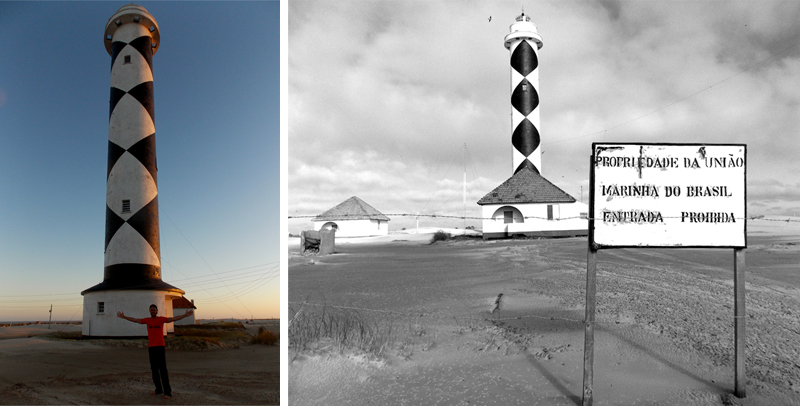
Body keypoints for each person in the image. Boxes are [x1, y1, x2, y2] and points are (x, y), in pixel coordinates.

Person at [117, 304, 194, 399]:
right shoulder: (147, 320)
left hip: (160, 347)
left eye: (154, 310)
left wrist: (184, 315)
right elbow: (136, 320)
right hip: (152, 347)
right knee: (154, 370)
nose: (153, 311)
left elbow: (172, 319)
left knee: (163, 370)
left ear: (157, 311)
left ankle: (167, 392)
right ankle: (158, 390)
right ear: (149, 311)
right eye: (151, 310)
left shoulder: (161, 319)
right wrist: (124, 317)